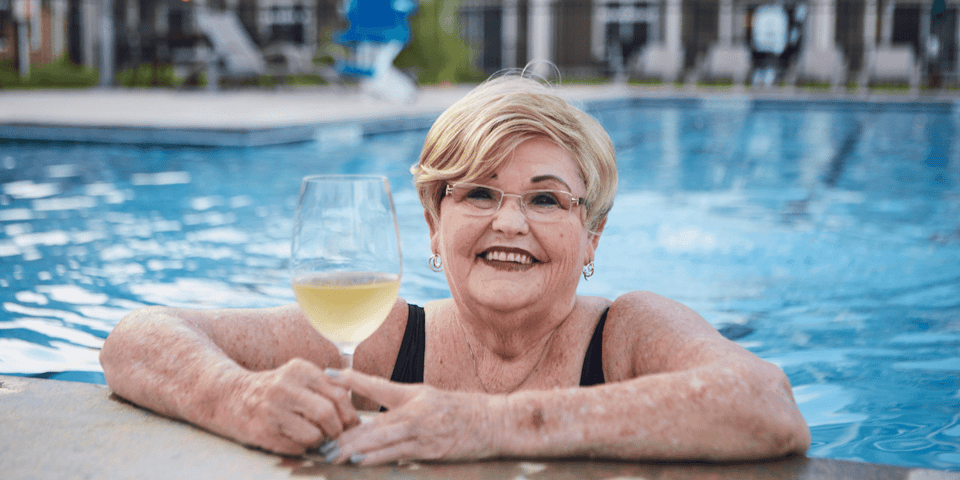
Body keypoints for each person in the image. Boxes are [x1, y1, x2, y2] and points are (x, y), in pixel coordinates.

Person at [100, 75, 810, 465]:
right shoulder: (384, 337)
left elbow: (768, 407)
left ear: (591, 237)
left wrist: (494, 423)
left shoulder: (628, 334)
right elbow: (136, 338)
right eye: (476, 192)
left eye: (545, 198)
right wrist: (238, 399)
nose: (510, 222)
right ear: (435, 224)